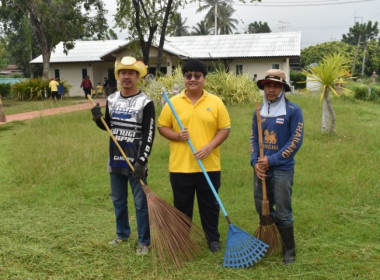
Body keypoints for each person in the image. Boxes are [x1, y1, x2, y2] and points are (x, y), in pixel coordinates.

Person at [157, 59, 231, 253]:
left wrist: (209, 147)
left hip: (209, 165)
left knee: (210, 205)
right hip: (180, 166)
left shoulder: (215, 102)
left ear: (204, 78)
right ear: (184, 79)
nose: (192, 79)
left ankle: (213, 239)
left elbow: (224, 129)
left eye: (197, 76)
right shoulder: (173, 103)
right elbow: (162, 127)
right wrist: (177, 136)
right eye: (188, 76)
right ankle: (181, 238)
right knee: (182, 207)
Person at [90, 56, 155, 255]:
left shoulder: (146, 102)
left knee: (140, 203)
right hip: (115, 159)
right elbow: (109, 127)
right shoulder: (111, 99)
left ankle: (144, 241)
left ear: (138, 77)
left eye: (131, 73)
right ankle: (122, 234)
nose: (127, 77)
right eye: (123, 73)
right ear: (118, 76)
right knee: (118, 200)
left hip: (136, 162)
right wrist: (97, 119)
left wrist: (142, 162)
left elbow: (149, 134)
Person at [250, 69, 304, 265]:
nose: (271, 90)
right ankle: (270, 240)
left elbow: (295, 141)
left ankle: (289, 249)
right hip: (261, 169)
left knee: (282, 210)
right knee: (261, 207)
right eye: (268, 86)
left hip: (282, 169)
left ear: (282, 88)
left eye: (275, 86)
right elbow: (254, 139)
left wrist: (271, 160)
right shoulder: (258, 111)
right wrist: (255, 162)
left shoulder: (293, 111)